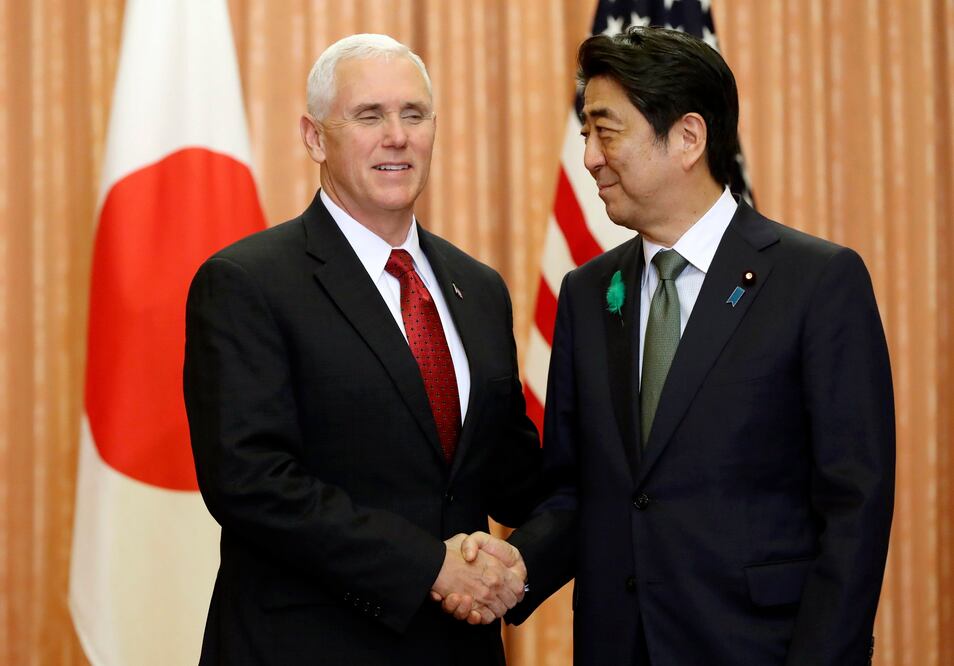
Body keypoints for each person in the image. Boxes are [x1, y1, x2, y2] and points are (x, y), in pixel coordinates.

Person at [451, 27, 895, 666]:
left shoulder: (816, 281)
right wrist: (516, 568)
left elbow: (854, 508)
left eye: (607, 132)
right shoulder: (587, 292)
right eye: (585, 135)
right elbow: (580, 491)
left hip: (759, 648)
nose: (590, 158)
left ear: (688, 137)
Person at [183, 33, 541, 666]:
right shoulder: (248, 281)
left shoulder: (479, 288)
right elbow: (251, 482)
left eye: (413, 114)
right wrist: (429, 567)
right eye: (369, 116)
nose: (396, 136)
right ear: (315, 137)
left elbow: (509, 474)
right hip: (308, 645)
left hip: (460, 649)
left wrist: (522, 559)